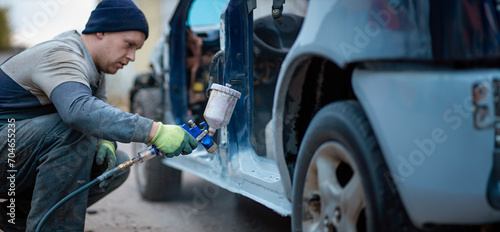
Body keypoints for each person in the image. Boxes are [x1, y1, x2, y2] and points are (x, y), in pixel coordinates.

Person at [0, 0, 197, 231]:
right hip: (9, 148)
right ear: (101, 31)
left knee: (114, 165)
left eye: (137, 49)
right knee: (72, 130)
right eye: (128, 44)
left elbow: (98, 112)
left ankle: (18, 219)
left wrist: (106, 141)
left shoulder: (95, 69)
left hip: (14, 156)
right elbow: (80, 112)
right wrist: (155, 131)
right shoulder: (62, 55)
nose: (132, 57)